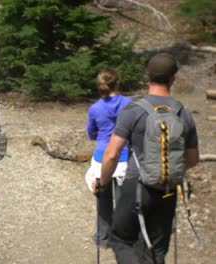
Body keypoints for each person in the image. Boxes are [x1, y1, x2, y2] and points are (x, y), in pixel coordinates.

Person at [96, 53, 199, 263]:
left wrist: (103, 182)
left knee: (120, 239)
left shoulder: (134, 110)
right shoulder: (183, 113)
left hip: (137, 186)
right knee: (157, 249)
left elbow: (112, 153)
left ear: (148, 75)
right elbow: (193, 159)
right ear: (173, 78)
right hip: (168, 189)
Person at [85, 68, 132, 247]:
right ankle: (122, 239)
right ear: (118, 82)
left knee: (102, 199)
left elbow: (91, 133)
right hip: (124, 158)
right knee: (123, 203)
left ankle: (103, 237)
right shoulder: (129, 104)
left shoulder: (95, 108)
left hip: (101, 158)